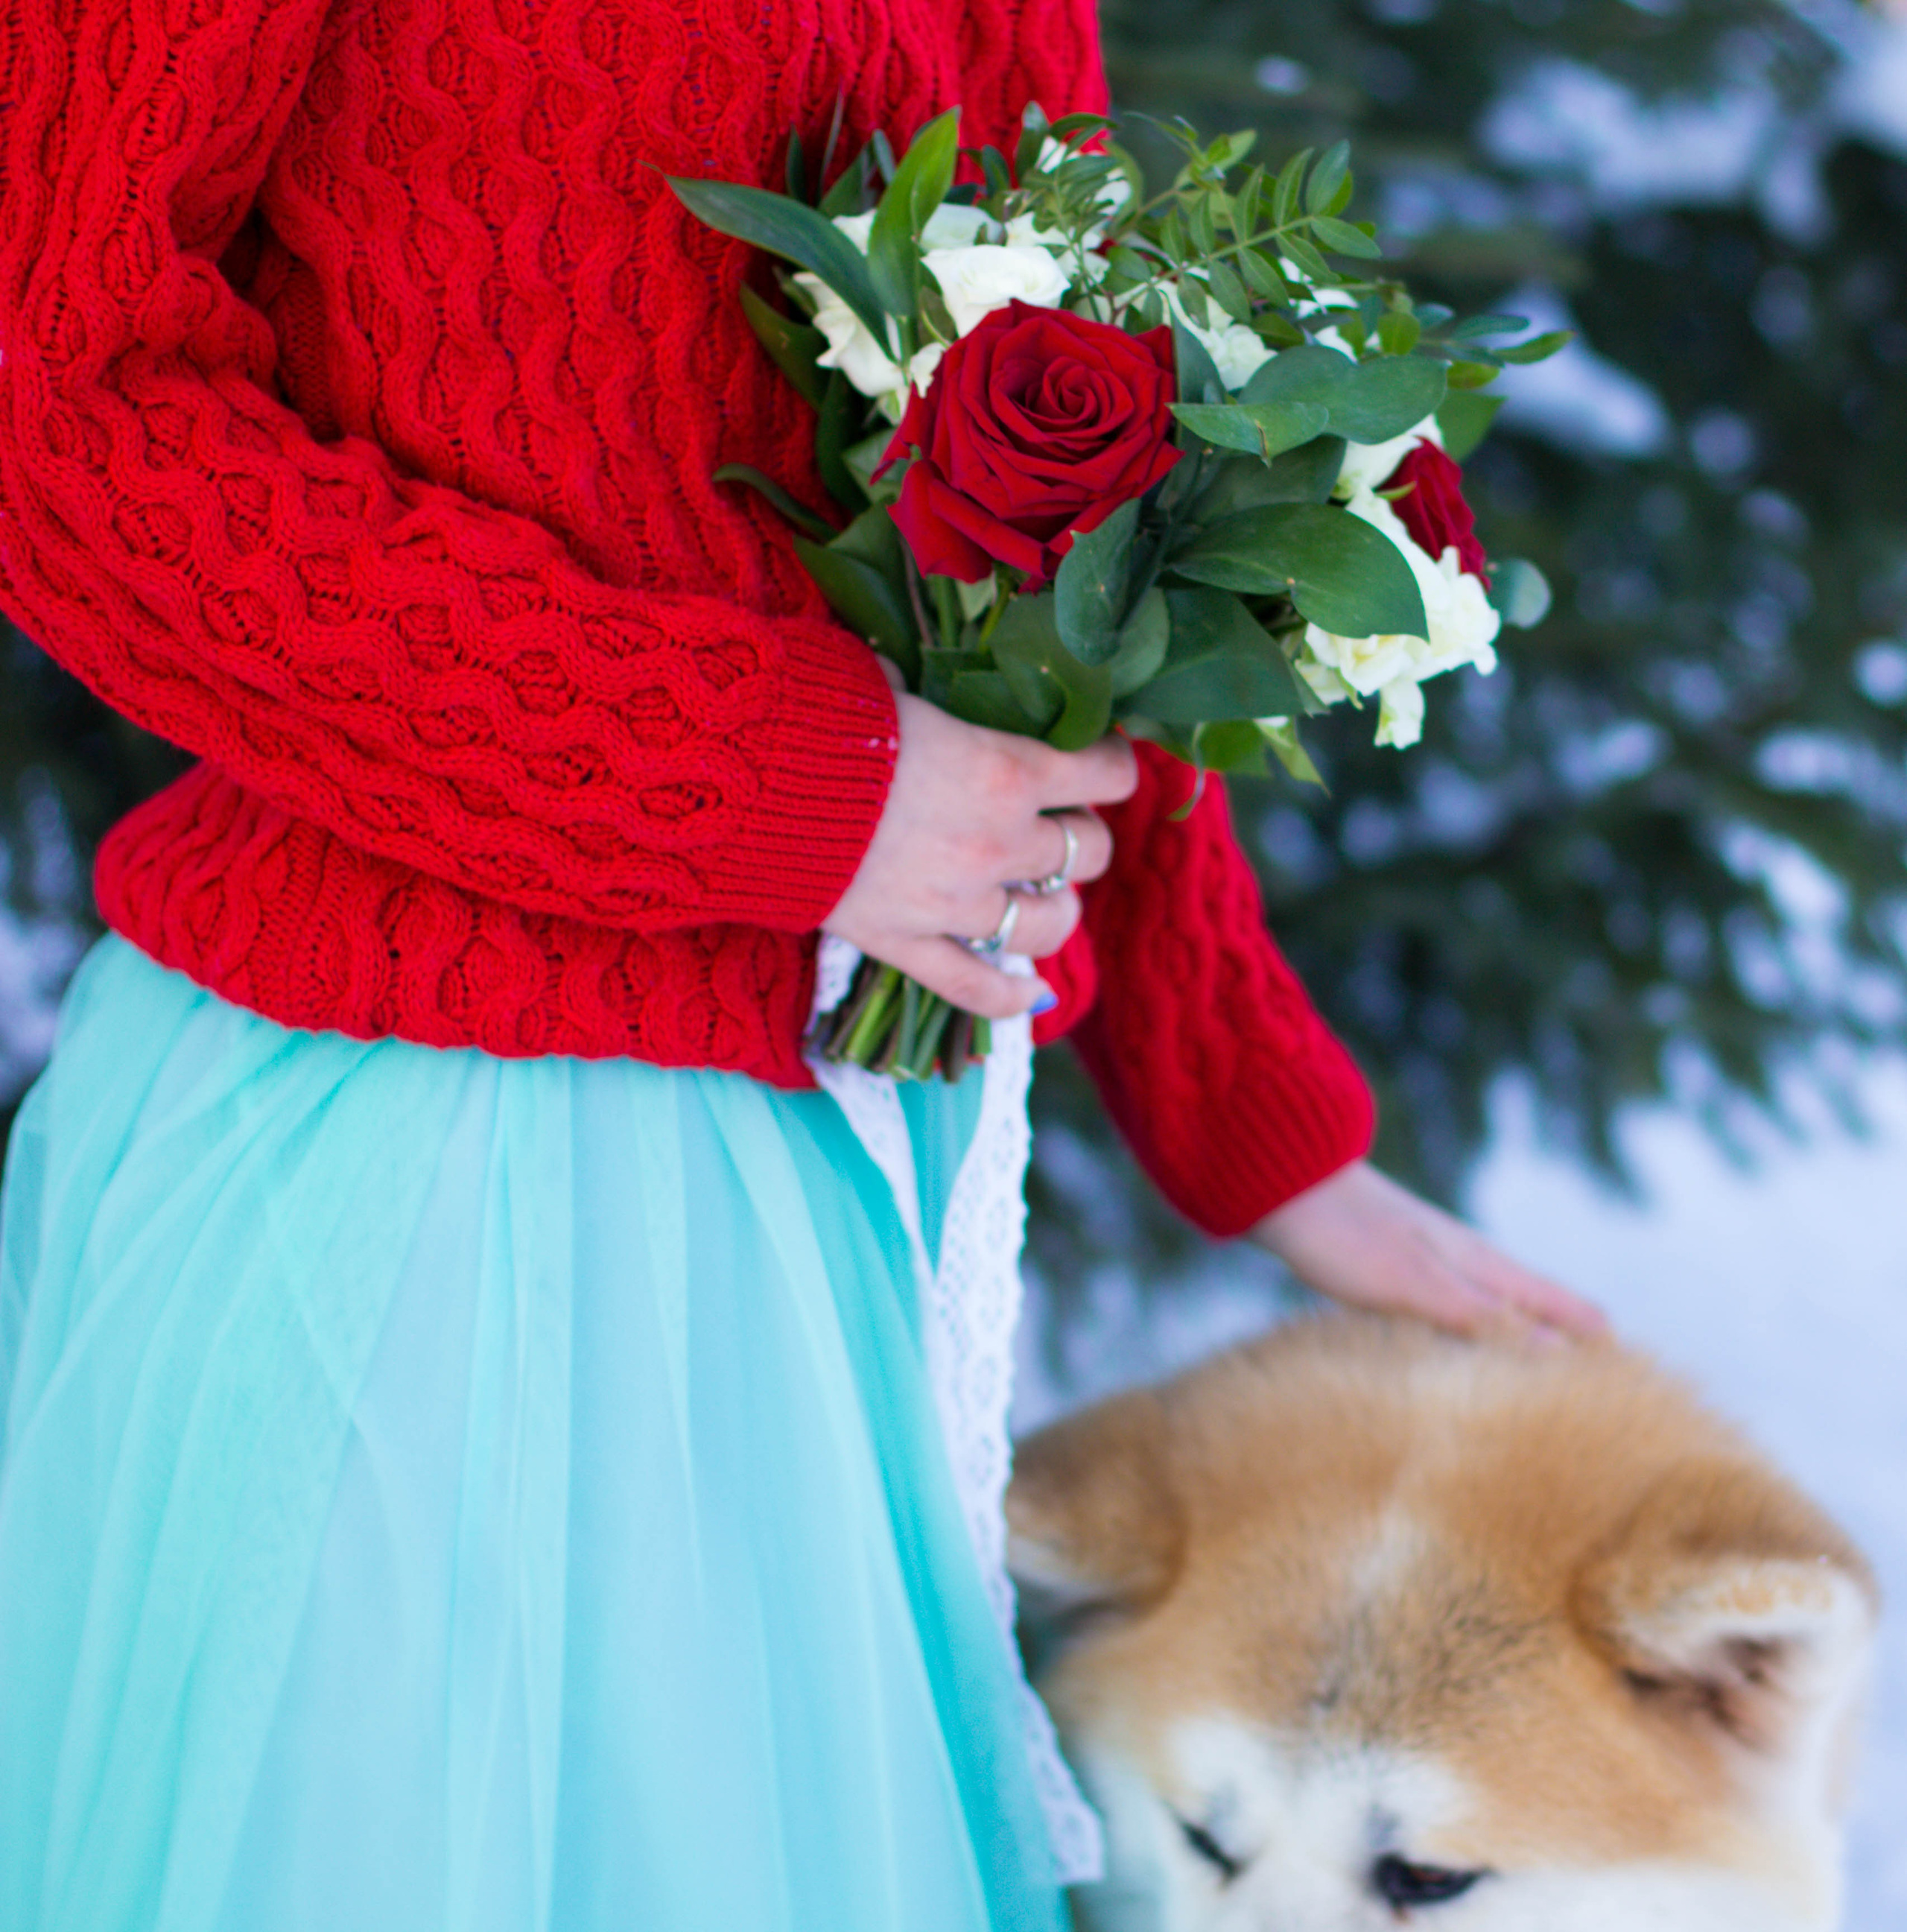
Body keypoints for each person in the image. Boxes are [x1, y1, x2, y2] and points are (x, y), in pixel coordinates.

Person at [0, 1, 1602, 1928]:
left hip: (830, 1193)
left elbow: (1076, 492)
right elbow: (58, 409)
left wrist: (1256, 1119)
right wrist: (766, 778)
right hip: (406, 1180)